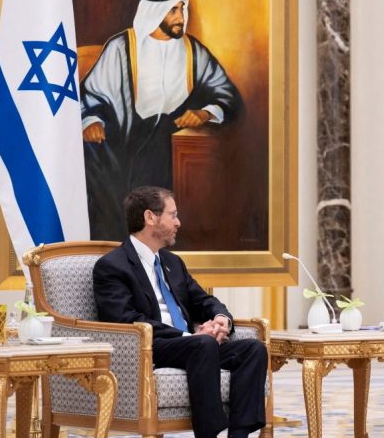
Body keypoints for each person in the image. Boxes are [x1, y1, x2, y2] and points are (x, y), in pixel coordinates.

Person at [93, 186, 266, 438]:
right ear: (150, 217)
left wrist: (220, 320)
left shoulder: (172, 262)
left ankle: (238, 436)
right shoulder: (112, 266)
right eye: (172, 215)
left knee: (253, 349)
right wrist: (189, 337)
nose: (178, 222)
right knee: (204, 345)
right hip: (151, 348)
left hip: (194, 347)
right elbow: (127, 320)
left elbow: (203, 300)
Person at [81, 0, 244, 240]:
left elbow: (227, 94)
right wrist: (91, 120)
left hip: (166, 139)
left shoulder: (193, 51)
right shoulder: (122, 47)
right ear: (154, 13)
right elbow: (91, 94)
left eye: (181, 9)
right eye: (173, 11)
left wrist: (204, 113)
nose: (180, 17)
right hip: (119, 137)